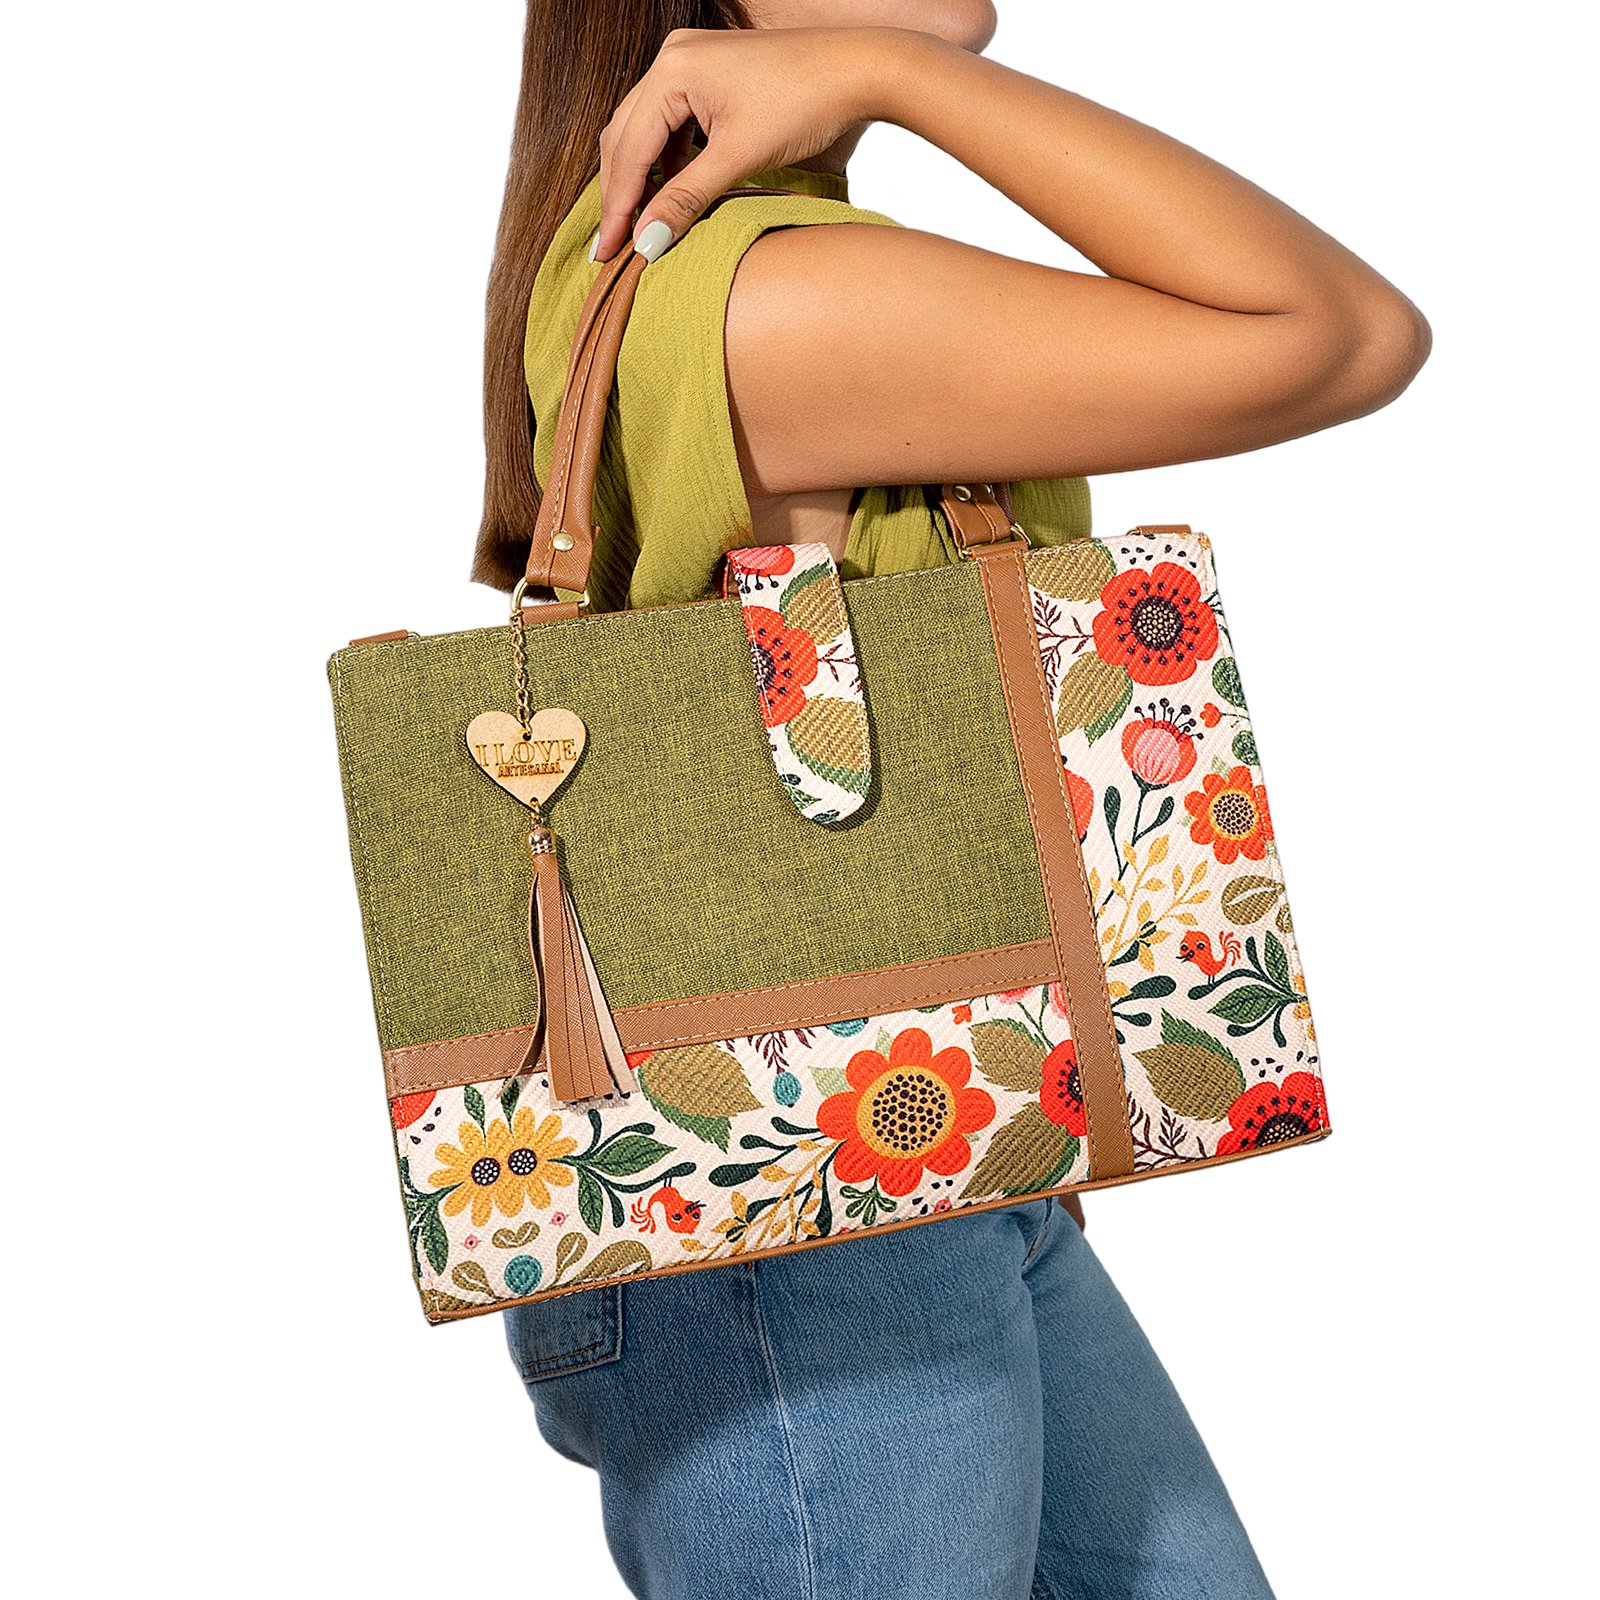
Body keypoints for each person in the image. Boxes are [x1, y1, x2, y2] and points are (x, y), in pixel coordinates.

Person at [473, 6, 1428, 1597]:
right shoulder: (773, 295)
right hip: (800, 1219)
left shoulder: (769, 266)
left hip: (927, 1158)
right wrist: (899, 74)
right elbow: (1338, 332)